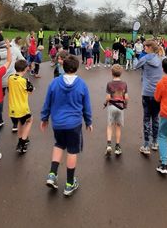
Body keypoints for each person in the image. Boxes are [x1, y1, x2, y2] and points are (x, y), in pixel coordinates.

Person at [41, 55, 92, 197]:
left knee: (59, 145)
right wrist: (89, 121)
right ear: (77, 67)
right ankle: (69, 183)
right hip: (73, 124)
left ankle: (52, 174)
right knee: (72, 151)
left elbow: (47, 102)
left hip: (57, 123)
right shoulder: (82, 84)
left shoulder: (55, 83)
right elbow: (86, 106)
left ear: (63, 67)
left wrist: (44, 117)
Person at [134, 40, 163, 155]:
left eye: (145, 46)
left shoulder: (145, 58)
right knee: (155, 118)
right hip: (157, 93)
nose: (144, 48)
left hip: (147, 93)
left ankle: (146, 145)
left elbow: (135, 66)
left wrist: (139, 60)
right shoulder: (159, 59)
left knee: (147, 118)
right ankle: (155, 142)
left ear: (149, 47)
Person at [8, 59, 34, 154]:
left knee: (20, 123)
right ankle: (22, 143)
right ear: (26, 69)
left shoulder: (10, 78)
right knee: (30, 121)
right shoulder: (24, 81)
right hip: (22, 108)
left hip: (12, 108)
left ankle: (20, 141)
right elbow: (30, 91)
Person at [104, 64, 128, 157]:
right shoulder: (124, 84)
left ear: (111, 73)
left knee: (110, 125)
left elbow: (108, 97)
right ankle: (117, 146)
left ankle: (109, 145)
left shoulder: (109, 84)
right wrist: (125, 104)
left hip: (111, 106)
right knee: (118, 126)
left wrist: (105, 103)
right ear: (121, 73)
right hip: (120, 107)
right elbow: (126, 97)